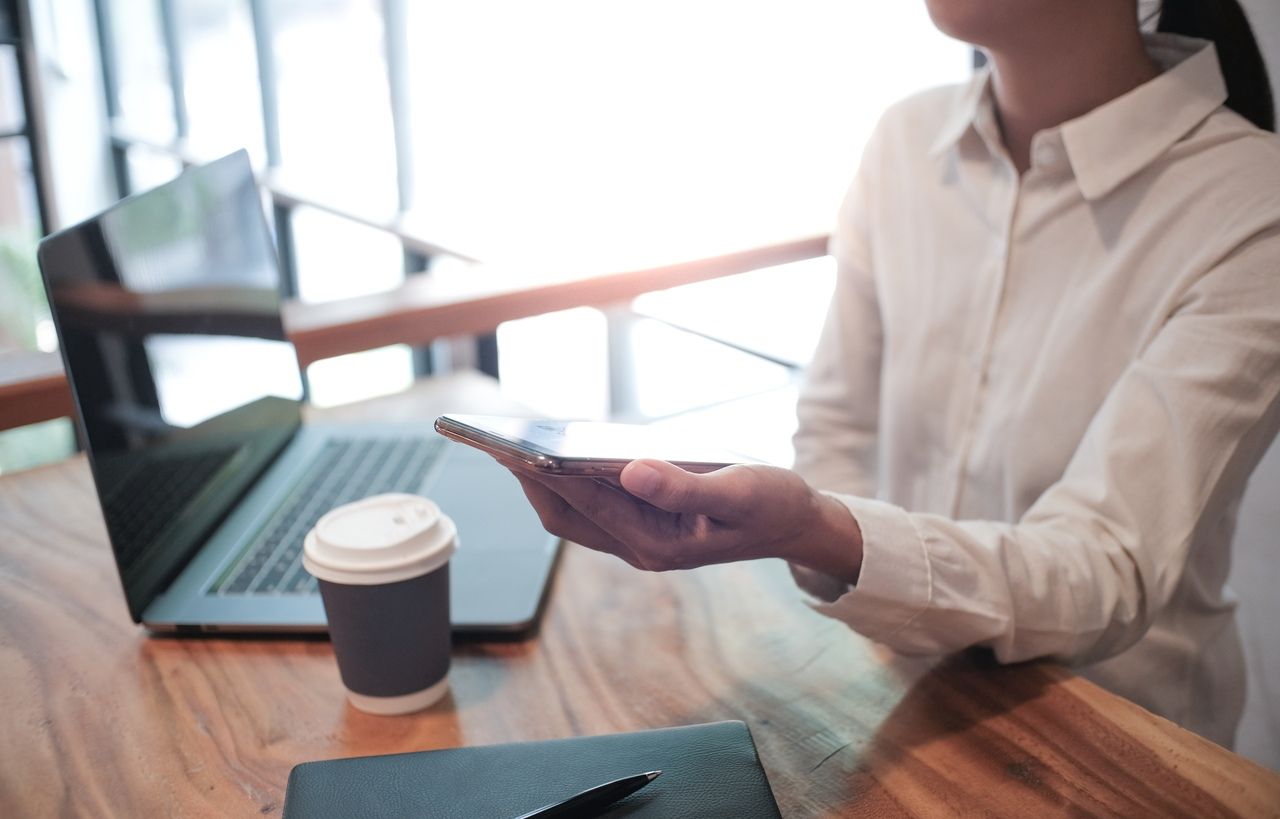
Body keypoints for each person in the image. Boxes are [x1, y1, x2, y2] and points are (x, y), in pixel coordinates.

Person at [500, 0, 1280, 748]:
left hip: (1127, 751)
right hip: (899, 700)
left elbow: (1100, 565)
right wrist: (815, 541)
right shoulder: (906, 143)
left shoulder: (1252, 208)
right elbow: (837, 429)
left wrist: (820, 530)